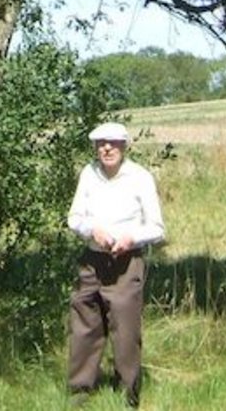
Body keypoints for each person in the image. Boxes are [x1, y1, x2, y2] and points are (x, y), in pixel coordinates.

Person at [66, 122, 165, 407]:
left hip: (126, 261)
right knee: (85, 324)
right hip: (92, 260)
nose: (106, 148)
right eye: (100, 143)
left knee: (125, 329)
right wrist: (91, 229)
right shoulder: (89, 173)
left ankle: (128, 395)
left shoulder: (140, 177)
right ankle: (81, 391)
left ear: (124, 146)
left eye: (112, 143)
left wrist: (130, 238)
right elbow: (74, 217)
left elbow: (157, 228)